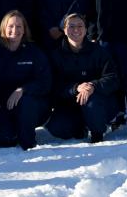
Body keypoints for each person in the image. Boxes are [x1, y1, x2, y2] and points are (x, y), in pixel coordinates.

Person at [0, 11, 51, 150]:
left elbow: (45, 81)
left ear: (24, 29)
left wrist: (23, 89)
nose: (15, 30)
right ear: (3, 29)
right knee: (3, 139)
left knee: (26, 101)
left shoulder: (34, 52)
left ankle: (28, 142)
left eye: (19, 26)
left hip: (31, 106)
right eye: (11, 26)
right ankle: (12, 131)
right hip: (3, 106)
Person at [47, 13, 120, 142]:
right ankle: (81, 127)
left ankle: (97, 133)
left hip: (98, 102)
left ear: (86, 29)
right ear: (64, 30)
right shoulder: (56, 55)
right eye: (71, 26)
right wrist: (76, 88)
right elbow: (55, 84)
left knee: (91, 101)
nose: (76, 30)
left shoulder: (99, 51)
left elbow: (112, 78)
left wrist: (92, 86)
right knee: (57, 128)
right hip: (71, 103)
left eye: (80, 26)